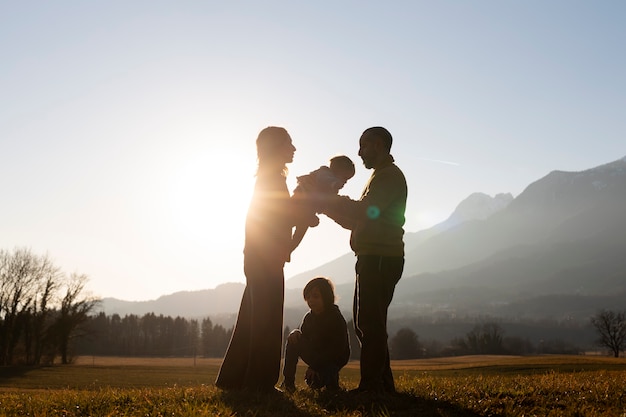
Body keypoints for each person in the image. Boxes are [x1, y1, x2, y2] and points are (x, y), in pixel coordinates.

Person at [215, 126, 303, 392]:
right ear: (276, 147)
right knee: (266, 319)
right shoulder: (272, 179)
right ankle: (259, 383)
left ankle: (234, 378)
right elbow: (277, 216)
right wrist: (305, 210)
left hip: (258, 257)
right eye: (289, 143)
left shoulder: (270, 177)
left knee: (252, 319)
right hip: (265, 259)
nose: (294, 148)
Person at [320, 126, 407, 394]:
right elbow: (360, 218)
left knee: (370, 324)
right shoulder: (378, 177)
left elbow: (366, 212)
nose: (359, 153)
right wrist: (327, 208)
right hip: (372, 256)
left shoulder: (389, 177)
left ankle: (372, 386)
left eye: (363, 146)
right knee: (369, 324)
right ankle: (382, 384)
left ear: (378, 145)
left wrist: (330, 200)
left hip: (380, 257)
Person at [281, 277, 350, 393]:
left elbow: (336, 350)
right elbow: (303, 339)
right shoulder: (309, 318)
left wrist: (315, 367)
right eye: (308, 297)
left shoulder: (336, 318)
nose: (311, 300)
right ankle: (288, 383)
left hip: (333, 359)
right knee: (293, 338)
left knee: (314, 382)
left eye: (315, 296)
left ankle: (332, 384)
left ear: (326, 297)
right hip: (315, 355)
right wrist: (295, 333)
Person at [290, 155, 356, 253]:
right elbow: (325, 180)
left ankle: (289, 248)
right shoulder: (324, 173)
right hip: (301, 201)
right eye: (345, 178)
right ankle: (288, 247)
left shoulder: (329, 186)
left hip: (307, 207)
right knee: (294, 224)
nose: (345, 182)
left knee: (301, 229)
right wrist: (335, 184)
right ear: (336, 170)